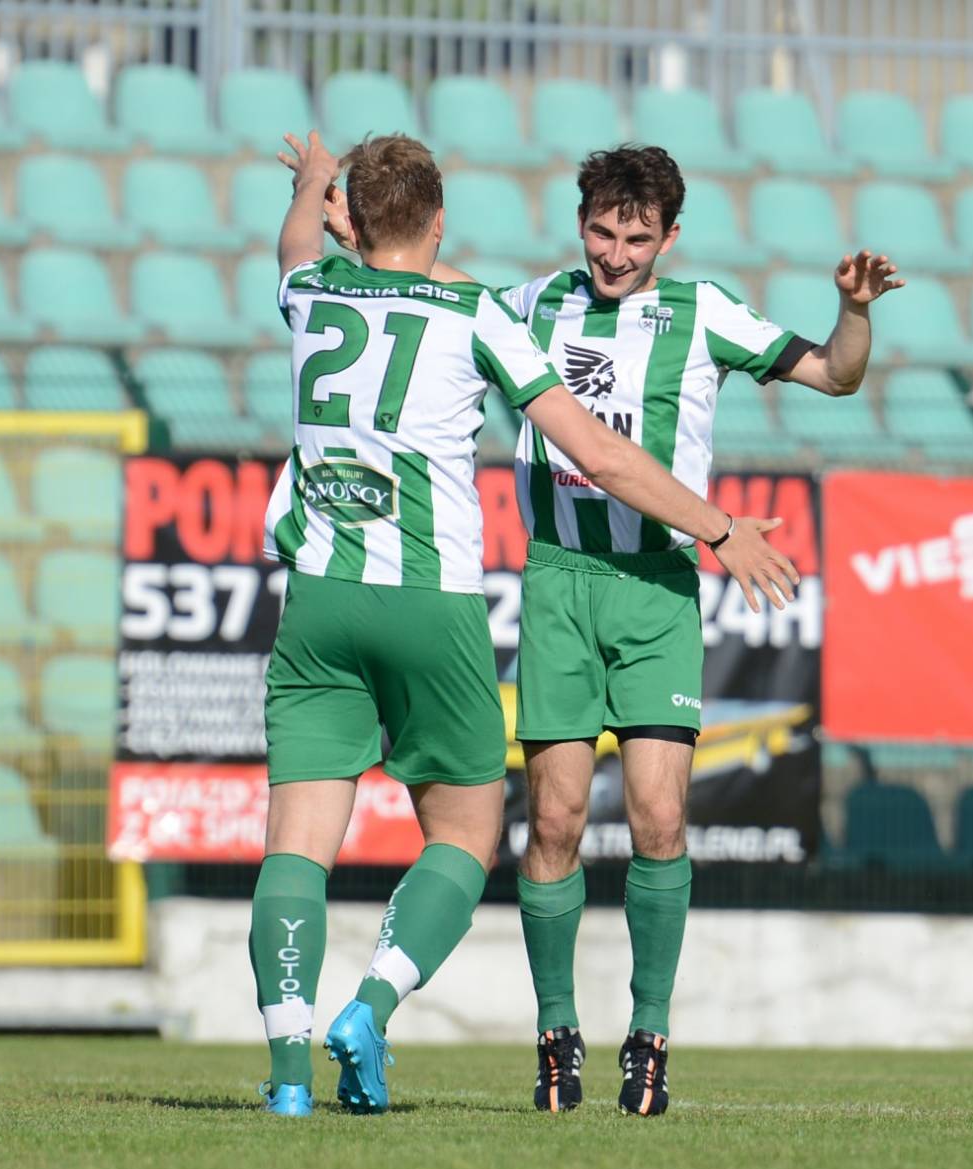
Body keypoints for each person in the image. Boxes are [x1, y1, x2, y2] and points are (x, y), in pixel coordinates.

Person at [252, 131, 800, 1118]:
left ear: (353, 223)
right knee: (469, 834)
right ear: (440, 222)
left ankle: (289, 1080)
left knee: (294, 847)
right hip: (434, 602)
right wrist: (719, 529)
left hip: (317, 597)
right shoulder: (479, 314)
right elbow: (603, 455)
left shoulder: (309, 290)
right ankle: (371, 1006)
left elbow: (295, 239)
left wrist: (312, 187)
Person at [418, 144, 904, 1117]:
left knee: (658, 819)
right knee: (553, 821)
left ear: (669, 238)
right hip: (557, 583)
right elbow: (434, 282)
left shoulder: (702, 312)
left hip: (657, 589)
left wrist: (852, 311)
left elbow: (835, 375)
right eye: (601, 231)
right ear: (580, 223)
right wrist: (366, 235)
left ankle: (649, 1035)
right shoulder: (529, 305)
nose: (615, 253)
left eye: (636, 238)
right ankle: (556, 1032)